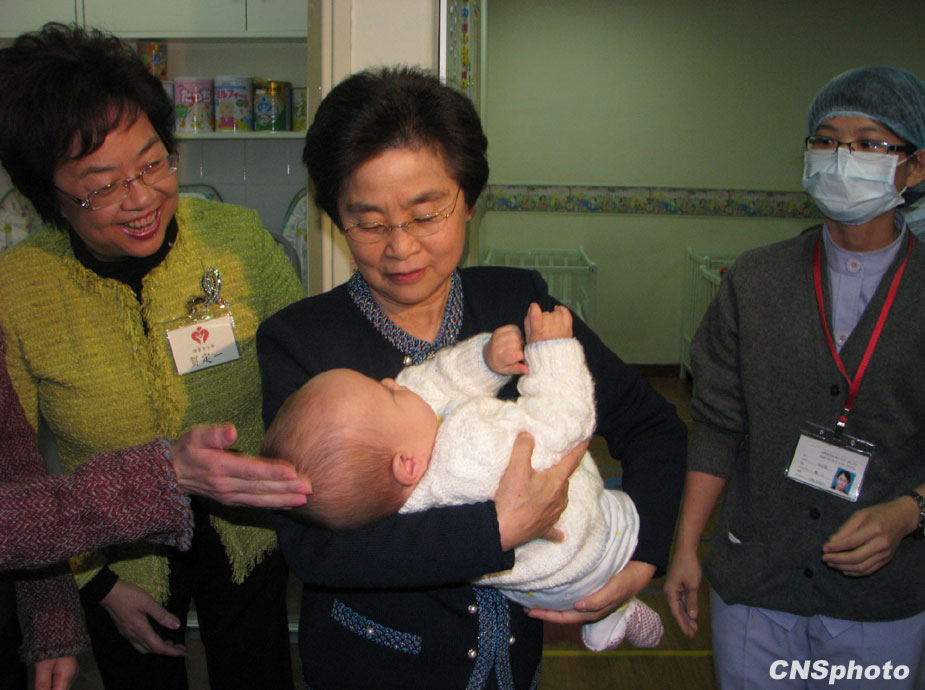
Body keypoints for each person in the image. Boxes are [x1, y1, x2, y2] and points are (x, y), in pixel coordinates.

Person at [257, 65, 687, 689]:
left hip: (514, 668)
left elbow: (652, 426)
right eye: (369, 223)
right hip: (380, 668)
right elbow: (314, 549)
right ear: (334, 217)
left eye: (426, 213)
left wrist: (641, 557)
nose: (400, 247)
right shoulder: (301, 342)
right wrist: (496, 531)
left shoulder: (518, 303)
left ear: (468, 202)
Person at [0, 23, 305, 690]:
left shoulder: (235, 240)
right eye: (102, 186)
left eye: (152, 163)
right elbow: (14, 475)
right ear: (48, 195)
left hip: (249, 536)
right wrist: (95, 585)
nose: (140, 199)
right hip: (116, 559)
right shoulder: (18, 289)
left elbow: (304, 375)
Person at [664, 65, 925, 690]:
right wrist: (686, 547)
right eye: (827, 141)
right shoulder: (756, 281)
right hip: (759, 585)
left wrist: (909, 512)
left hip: (881, 598)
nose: (843, 159)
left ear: (915, 168)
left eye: (869, 144)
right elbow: (718, 424)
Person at [263, 303, 665, 652]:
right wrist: (554, 352)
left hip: (541, 589)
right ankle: (617, 609)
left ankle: (607, 617)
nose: (390, 381)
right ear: (406, 464)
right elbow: (563, 423)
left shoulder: (393, 484)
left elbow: (428, 385)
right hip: (591, 547)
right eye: (386, 393)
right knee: (612, 509)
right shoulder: (470, 453)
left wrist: (483, 361)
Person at [0, 331, 311, 690]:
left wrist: (49, 616)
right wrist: (96, 584)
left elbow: (12, 453)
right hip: (115, 558)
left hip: (248, 545)